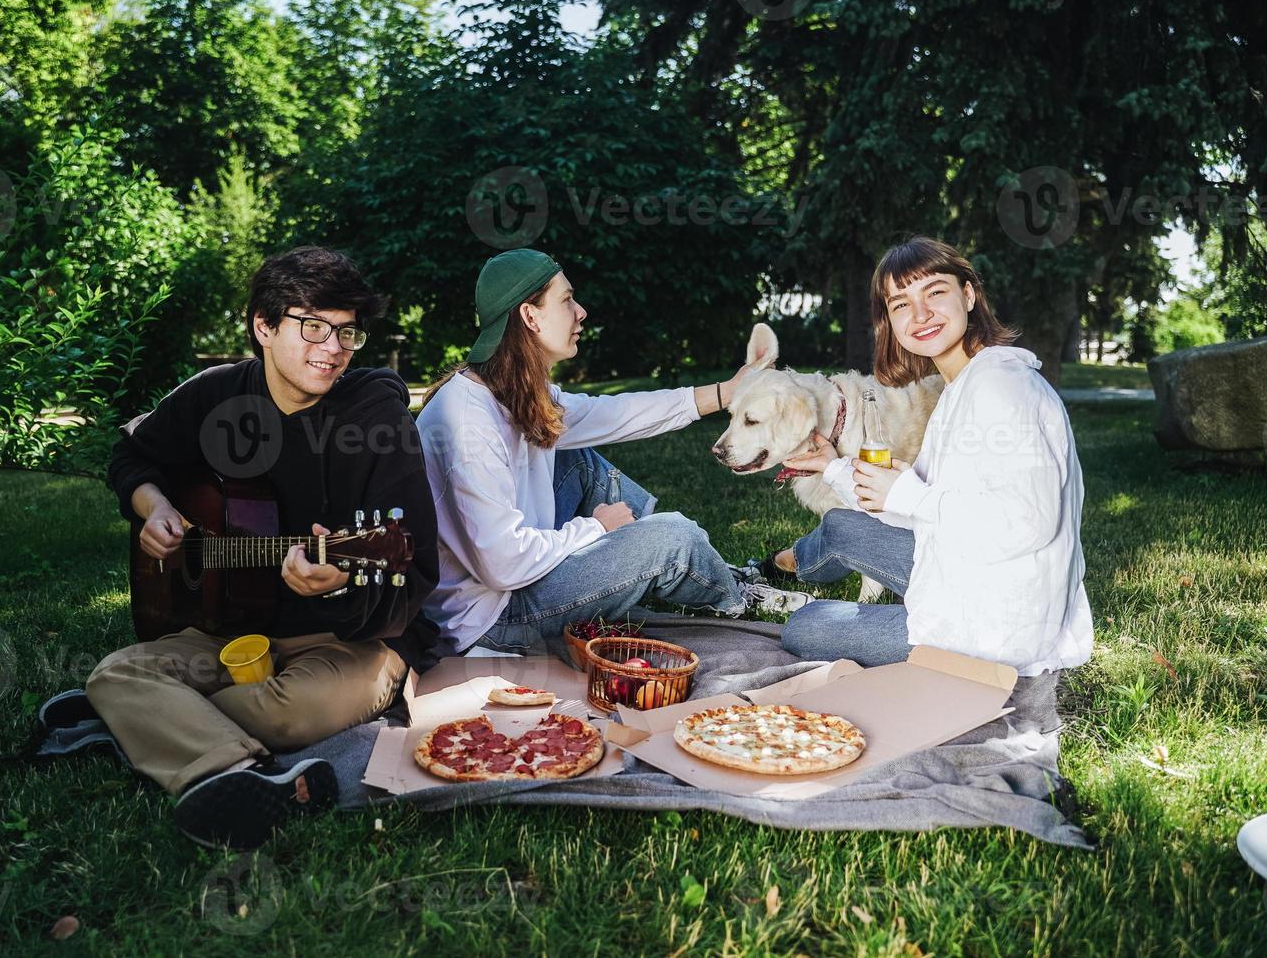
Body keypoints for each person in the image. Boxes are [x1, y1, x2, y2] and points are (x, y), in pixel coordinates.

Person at [83, 246, 439, 849]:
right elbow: (130, 457)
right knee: (115, 671)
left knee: (290, 712)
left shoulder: (376, 417)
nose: (333, 348)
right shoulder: (216, 396)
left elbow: (414, 565)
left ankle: (163, 726)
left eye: (347, 332)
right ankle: (247, 775)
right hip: (228, 632)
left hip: (348, 642)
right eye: (313, 327)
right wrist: (156, 507)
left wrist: (344, 579)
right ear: (264, 326)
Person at [416, 248, 812, 660]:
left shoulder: (510, 389)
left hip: (514, 576)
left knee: (579, 462)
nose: (581, 311)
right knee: (674, 537)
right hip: (493, 618)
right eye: (567, 300)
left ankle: (691, 570)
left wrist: (722, 394)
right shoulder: (469, 424)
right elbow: (503, 565)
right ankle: (731, 594)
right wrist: (596, 529)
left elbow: (617, 413)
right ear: (530, 317)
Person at [771, 236, 1093, 675]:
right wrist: (833, 465)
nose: (919, 315)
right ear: (889, 319)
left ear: (968, 294)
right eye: (900, 303)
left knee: (804, 627)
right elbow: (922, 504)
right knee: (842, 525)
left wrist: (908, 494)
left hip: (996, 628)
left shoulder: (1000, 389)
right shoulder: (966, 385)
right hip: (972, 573)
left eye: (935, 292)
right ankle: (773, 571)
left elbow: (1028, 524)